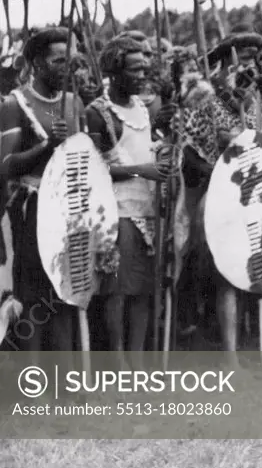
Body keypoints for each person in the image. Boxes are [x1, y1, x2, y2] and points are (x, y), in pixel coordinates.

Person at [86, 37, 173, 361]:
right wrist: (142, 170)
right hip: (116, 209)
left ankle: (137, 358)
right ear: (114, 70)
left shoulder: (144, 108)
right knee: (117, 290)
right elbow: (98, 169)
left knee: (143, 288)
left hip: (149, 207)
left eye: (145, 69)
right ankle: (119, 359)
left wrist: (160, 149)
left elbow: (148, 148)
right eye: (135, 69)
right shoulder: (98, 112)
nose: (142, 75)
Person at [0, 28, 86, 352]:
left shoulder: (74, 102)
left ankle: (64, 384)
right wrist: (47, 146)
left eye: (70, 61)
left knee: (62, 295)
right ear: (37, 62)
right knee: (33, 296)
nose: (66, 67)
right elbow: (6, 165)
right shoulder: (15, 103)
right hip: (30, 210)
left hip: (68, 210)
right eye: (57, 61)